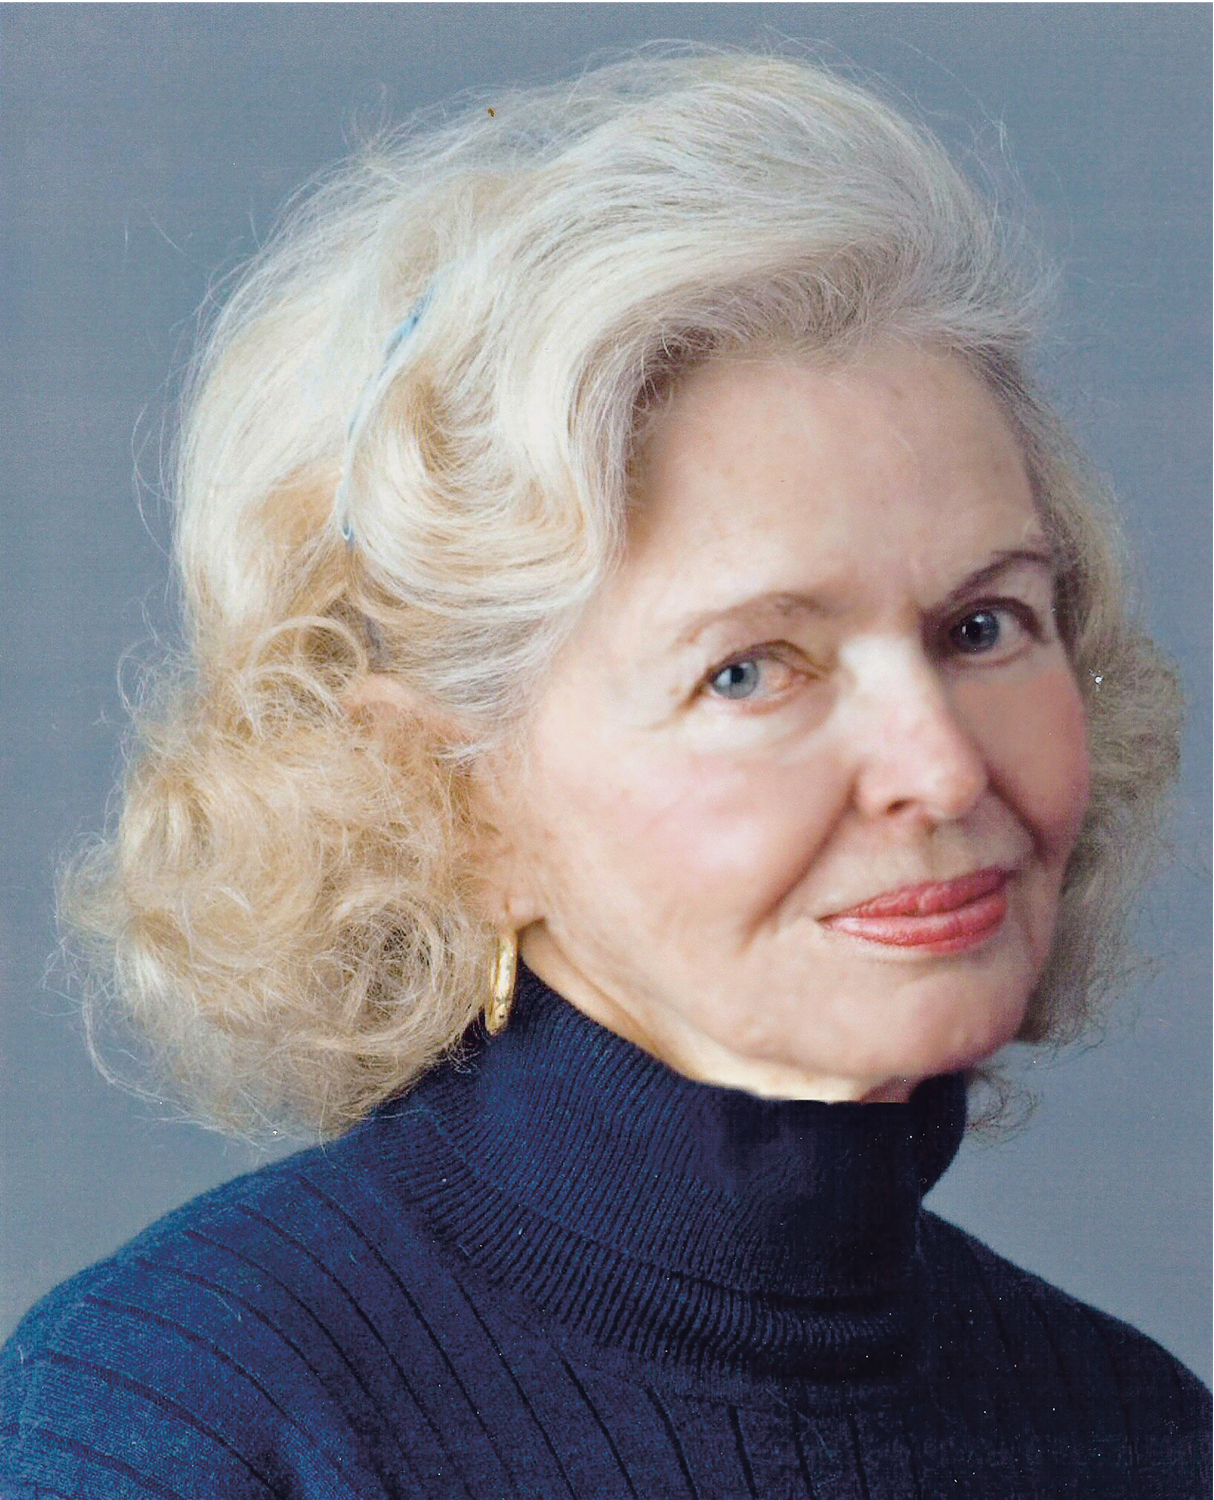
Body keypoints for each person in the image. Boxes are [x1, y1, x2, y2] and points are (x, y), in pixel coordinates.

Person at [2, 47, 1209, 1499]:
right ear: (451, 804)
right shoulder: (189, 1421)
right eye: (749, 669)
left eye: (981, 626)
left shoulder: (1132, 1427)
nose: (942, 770)